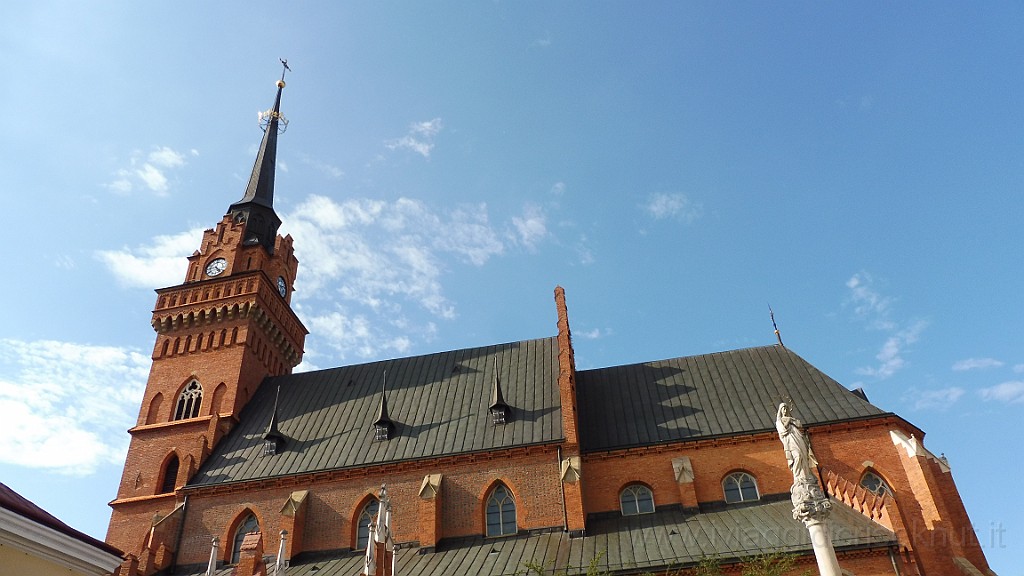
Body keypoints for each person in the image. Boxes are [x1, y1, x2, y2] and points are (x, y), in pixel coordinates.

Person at [776, 402, 817, 482]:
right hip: (790, 440)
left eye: (786, 408)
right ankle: (798, 477)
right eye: (783, 409)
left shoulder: (791, 419)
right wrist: (788, 421)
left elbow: (799, 425)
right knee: (797, 457)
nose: (785, 410)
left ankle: (806, 475)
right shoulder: (779, 422)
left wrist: (791, 419)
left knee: (804, 456)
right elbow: (783, 431)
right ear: (780, 411)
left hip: (798, 438)